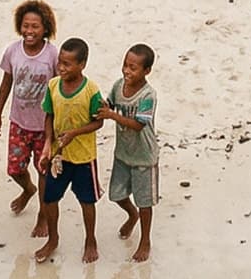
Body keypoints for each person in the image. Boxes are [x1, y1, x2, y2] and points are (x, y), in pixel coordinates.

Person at [34, 37, 106, 264]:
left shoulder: (91, 90)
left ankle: (90, 239)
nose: (61, 68)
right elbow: (49, 115)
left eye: (67, 64)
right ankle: (53, 239)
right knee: (50, 198)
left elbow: (99, 122)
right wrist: (48, 144)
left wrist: (76, 133)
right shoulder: (53, 85)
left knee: (87, 201)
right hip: (59, 157)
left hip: (84, 158)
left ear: (82, 64)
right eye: (60, 63)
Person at [0, 0, 60, 230]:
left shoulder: (52, 55)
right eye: (25, 26)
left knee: (44, 171)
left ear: (45, 29)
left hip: (45, 126)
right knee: (15, 169)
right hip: (19, 123)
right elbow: (6, 84)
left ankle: (42, 214)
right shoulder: (13, 51)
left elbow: (62, 88)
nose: (29, 31)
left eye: (35, 27)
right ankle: (27, 189)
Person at [105, 44, 159, 262]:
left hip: (144, 157)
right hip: (123, 154)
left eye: (133, 68)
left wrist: (111, 115)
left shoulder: (148, 95)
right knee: (116, 194)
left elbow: (138, 125)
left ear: (146, 71)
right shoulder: (119, 86)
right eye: (125, 65)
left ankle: (145, 240)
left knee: (144, 202)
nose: (127, 71)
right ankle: (131, 214)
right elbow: (108, 103)